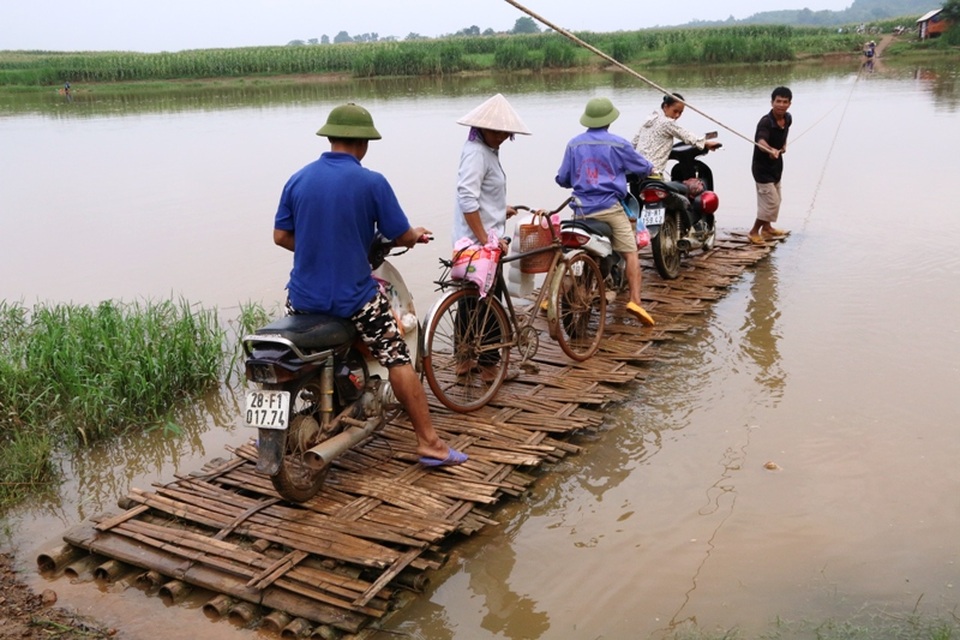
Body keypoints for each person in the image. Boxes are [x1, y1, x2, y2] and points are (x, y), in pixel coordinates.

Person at [273, 102, 466, 468]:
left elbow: (281, 236)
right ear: (363, 144)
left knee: (306, 354)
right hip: (353, 298)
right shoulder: (371, 182)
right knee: (396, 355)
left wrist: (319, 248)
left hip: (301, 299)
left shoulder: (297, 179)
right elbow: (399, 233)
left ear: (330, 138)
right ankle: (430, 443)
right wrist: (415, 235)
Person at [556, 97, 656, 326]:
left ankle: (551, 297)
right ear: (610, 120)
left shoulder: (574, 144)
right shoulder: (619, 144)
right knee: (631, 253)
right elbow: (643, 166)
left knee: (565, 250)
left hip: (580, 211)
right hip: (609, 209)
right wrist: (651, 169)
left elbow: (563, 178)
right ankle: (636, 301)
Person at [452, 93, 531, 382]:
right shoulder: (477, 152)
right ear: (483, 128)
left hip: (474, 239)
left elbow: (482, 194)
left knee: (470, 300)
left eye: (504, 132)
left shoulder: (485, 150)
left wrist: (501, 209)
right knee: (490, 299)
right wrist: (486, 239)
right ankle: (488, 366)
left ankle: (463, 359)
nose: (501, 136)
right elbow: (467, 199)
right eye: (496, 131)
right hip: (480, 243)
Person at [632, 92, 721, 177]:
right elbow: (686, 135)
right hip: (652, 171)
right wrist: (706, 143)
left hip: (637, 167)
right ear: (666, 107)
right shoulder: (666, 123)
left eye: (680, 112)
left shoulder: (651, 118)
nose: (677, 115)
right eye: (675, 111)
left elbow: (634, 142)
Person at [748, 86, 793, 245]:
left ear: (789, 104)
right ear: (772, 102)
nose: (781, 105)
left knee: (776, 200)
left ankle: (767, 229)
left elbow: (784, 133)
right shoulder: (765, 122)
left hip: (776, 167)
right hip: (762, 170)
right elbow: (760, 141)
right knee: (771, 203)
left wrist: (783, 145)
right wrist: (770, 149)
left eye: (785, 102)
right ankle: (754, 231)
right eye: (778, 101)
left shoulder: (787, 118)